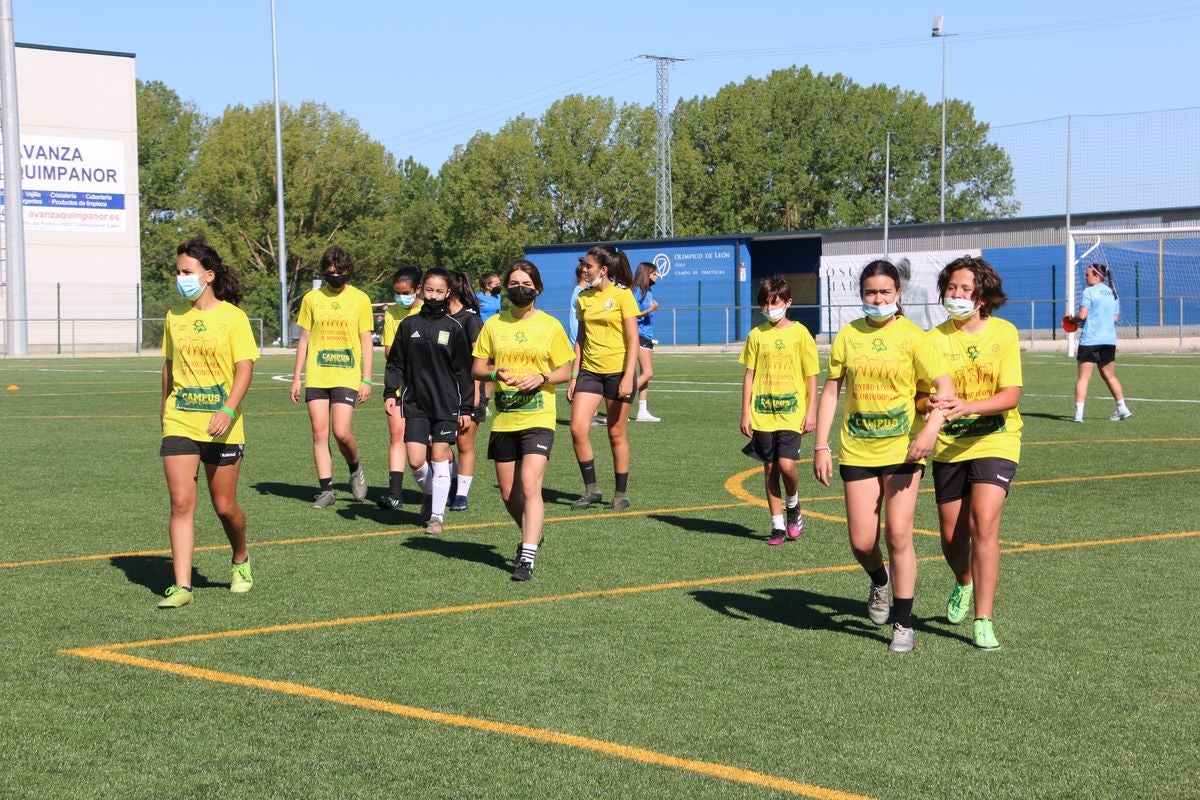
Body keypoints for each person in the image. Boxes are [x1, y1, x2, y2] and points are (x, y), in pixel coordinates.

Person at [812, 260, 954, 653]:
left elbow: (945, 385)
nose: (878, 299)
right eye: (871, 293)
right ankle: (879, 580)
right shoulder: (847, 336)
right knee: (861, 542)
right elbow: (831, 391)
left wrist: (930, 430)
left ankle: (904, 624)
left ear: (898, 295)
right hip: (856, 448)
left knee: (898, 534)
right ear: (862, 295)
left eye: (885, 293)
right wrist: (821, 445)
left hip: (904, 450)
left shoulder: (913, 337)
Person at [921, 255, 1023, 650]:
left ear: (982, 295)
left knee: (984, 522)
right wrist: (927, 404)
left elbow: (1010, 395)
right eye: (952, 288)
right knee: (951, 538)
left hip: (996, 439)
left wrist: (969, 406)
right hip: (950, 446)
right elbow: (918, 398)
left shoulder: (1005, 333)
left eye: (966, 289)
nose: (958, 295)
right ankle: (963, 580)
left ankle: (984, 618)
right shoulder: (932, 340)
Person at [158, 238, 259, 608]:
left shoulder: (234, 318)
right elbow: (168, 368)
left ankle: (240, 559)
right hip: (180, 422)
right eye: (178, 271)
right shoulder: (173, 316)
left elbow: (244, 369)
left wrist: (228, 410)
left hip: (223, 425)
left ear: (209, 275)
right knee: (181, 502)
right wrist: (164, 412)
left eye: (186, 272)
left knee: (224, 507)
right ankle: (182, 586)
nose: (180, 278)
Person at [472, 259, 574, 580]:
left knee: (530, 485)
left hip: (539, 417)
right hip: (504, 419)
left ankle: (526, 556)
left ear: (537, 289)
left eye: (526, 285)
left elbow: (566, 370)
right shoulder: (493, 325)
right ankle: (533, 531)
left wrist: (542, 376)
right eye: (513, 284)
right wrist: (494, 371)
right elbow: (476, 367)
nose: (519, 289)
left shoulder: (550, 326)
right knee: (508, 494)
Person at [384, 267, 474, 535]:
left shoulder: (454, 328)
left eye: (439, 291)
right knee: (415, 461)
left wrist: (466, 407)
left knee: (438, 456)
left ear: (448, 293)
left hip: (446, 405)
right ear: (422, 289)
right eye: (429, 290)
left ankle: (437, 516)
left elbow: (463, 371)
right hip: (415, 403)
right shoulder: (408, 325)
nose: (433, 295)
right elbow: (396, 363)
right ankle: (435, 493)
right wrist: (391, 392)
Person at [290, 247, 374, 509]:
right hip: (317, 374)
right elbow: (303, 339)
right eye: (330, 273)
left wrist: (367, 379)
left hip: (346, 375)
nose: (335, 277)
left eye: (339, 273)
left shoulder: (360, 299)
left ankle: (355, 468)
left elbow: (366, 341)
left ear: (348, 271)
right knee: (319, 432)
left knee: (341, 432)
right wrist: (297, 377)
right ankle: (326, 490)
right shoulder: (312, 299)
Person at [739, 276, 819, 546]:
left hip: (792, 412)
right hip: (763, 413)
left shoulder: (800, 333)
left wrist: (811, 411)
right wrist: (745, 412)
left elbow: (811, 375)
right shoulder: (756, 335)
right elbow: (749, 375)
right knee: (770, 467)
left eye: (774, 303)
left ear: (788, 302)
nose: (769, 308)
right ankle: (777, 526)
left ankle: (793, 504)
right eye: (765, 303)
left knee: (786, 465)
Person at [567, 245, 640, 511]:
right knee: (577, 428)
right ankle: (592, 490)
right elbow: (580, 339)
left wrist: (628, 375)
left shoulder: (623, 296)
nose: (584, 270)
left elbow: (633, 339)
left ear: (604, 269)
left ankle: (620, 494)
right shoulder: (584, 297)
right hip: (589, 371)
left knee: (616, 432)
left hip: (618, 371)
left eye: (588, 266)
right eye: (584, 265)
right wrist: (574, 375)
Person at [377, 265, 422, 511]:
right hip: (400, 382)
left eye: (405, 292)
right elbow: (389, 352)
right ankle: (395, 494)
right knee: (397, 435)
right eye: (396, 292)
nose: (400, 297)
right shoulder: (393, 314)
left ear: (417, 290)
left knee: (426, 443)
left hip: (428, 385)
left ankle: (450, 478)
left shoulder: (430, 310)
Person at [1068, 262, 1132, 422]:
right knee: (1110, 375)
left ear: (1097, 275)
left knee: (1083, 377)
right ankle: (1122, 408)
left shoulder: (1089, 291)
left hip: (1091, 340)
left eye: (1087, 274)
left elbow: (1082, 316)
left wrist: (1071, 319)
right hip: (1109, 341)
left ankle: (1078, 415)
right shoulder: (1112, 292)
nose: (1085, 277)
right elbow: (1115, 318)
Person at [448, 270, 485, 511]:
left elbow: (480, 360)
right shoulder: (437, 318)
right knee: (438, 444)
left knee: (464, 443)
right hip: (442, 393)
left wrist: (477, 393)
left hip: (468, 392)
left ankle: (461, 494)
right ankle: (450, 481)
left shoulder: (470, 320)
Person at [632, 261, 661, 422]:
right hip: (639, 335)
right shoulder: (637, 291)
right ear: (646, 274)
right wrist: (650, 310)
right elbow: (632, 314)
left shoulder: (647, 291)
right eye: (654, 273)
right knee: (649, 372)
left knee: (645, 373)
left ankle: (642, 411)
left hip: (647, 336)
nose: (657, 277)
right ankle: (621, 395)